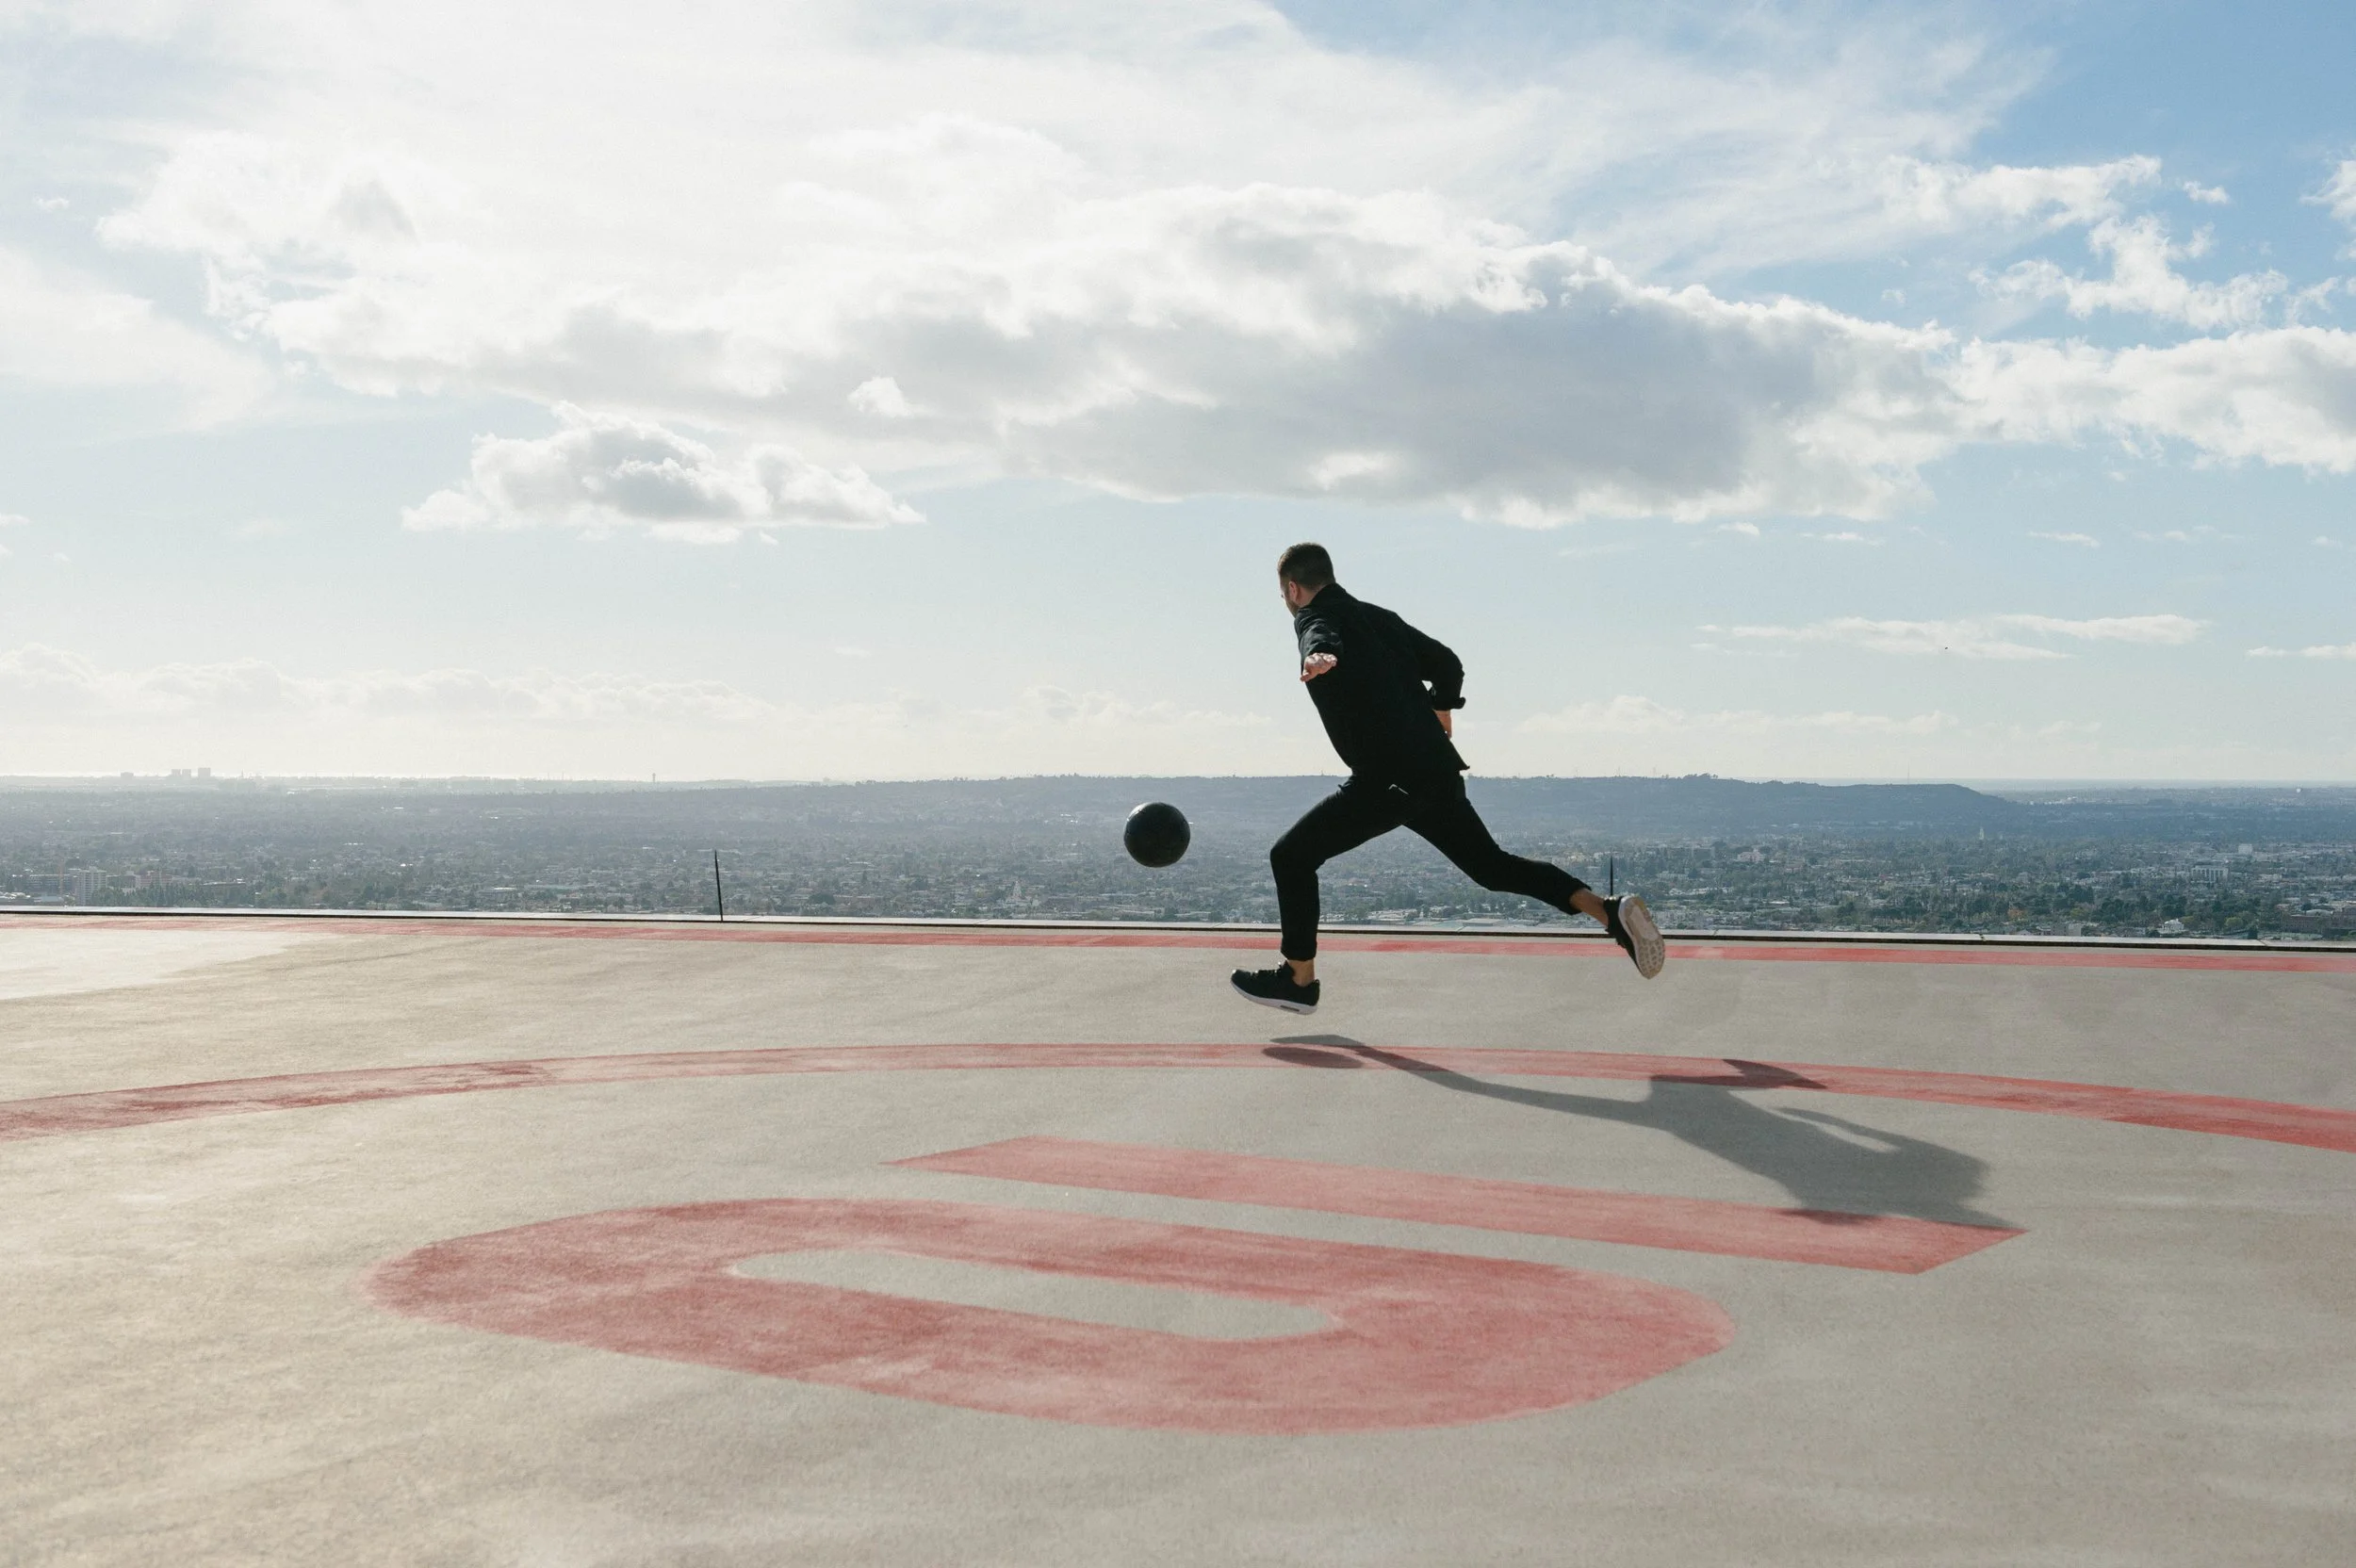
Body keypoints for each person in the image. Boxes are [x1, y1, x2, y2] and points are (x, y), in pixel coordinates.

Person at [1230, 543, 1665, 1014]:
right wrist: (1441, 710)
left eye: (1285, 596)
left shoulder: (1311, 617)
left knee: (1290, 857)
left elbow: (1320, 631)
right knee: (1492, 867)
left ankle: (1299, 980)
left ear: (1293, 589)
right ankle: (1609, 912)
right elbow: (1447, 663)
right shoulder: (1382, 619)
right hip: (1435, 770)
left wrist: (1318, 656)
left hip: (1388, 779)